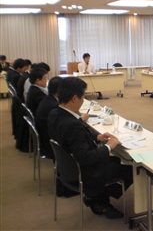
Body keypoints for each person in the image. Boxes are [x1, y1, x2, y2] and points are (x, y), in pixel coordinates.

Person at [48, 77, 133, 219]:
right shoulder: (71, 124)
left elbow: (74, 137)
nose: (83, 101)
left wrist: (97, 137)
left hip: (67, 167)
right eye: (83, 97)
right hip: (84, 171)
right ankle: (97, 199)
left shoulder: (55, 113)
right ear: (75, 98)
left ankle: (97, 198)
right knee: (130, 171)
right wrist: (108, 146)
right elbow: (85, 157)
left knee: (115, 161)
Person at [35, 77, 63, 159]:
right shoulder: (53, 105)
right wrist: (80, 119)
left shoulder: (48, 98)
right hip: (49, 139)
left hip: (44, 133)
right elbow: (63, 125)